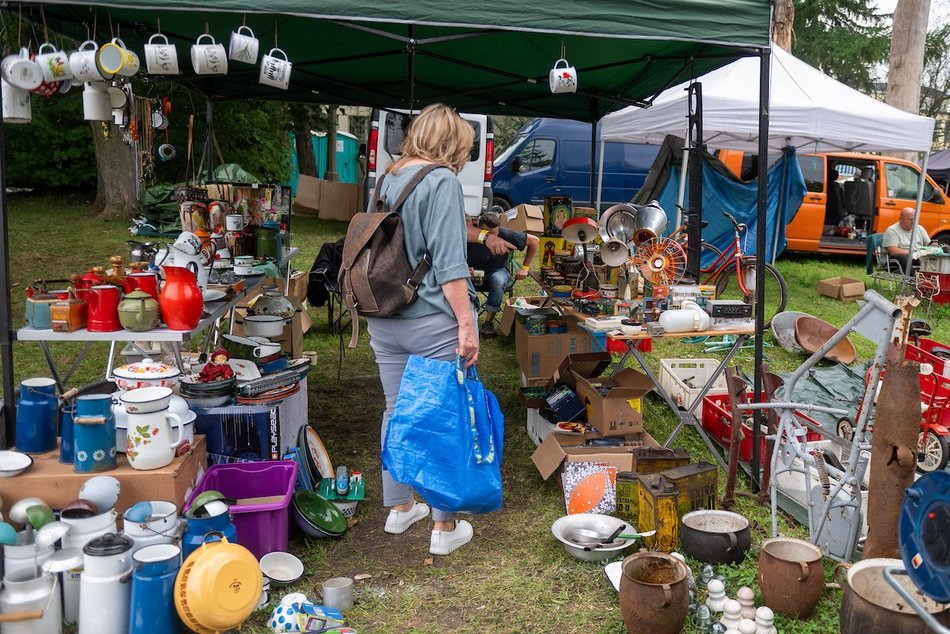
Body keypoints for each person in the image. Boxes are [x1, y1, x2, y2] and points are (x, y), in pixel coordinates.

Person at [365, 103, 493, 556]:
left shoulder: (388, 179)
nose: (464, 157)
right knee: (442, 417)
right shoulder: (441, 181)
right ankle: (444, 527)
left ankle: (400, 509)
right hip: (430, 319)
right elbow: (450, 265)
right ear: (451, 144)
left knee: (396, 411)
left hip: (384, 316)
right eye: (464, 148)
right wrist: (467, 325)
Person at [467, 210, 539, 335]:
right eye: (487, 234)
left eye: (494, 234)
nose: (492, 238)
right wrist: (465, 268)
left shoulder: (506, 234)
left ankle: (488, 322)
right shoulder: (470, 236)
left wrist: (524, 268)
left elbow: (534, 241)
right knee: (456, 279)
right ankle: (464, 321)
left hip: (497, 271)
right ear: (478, 228)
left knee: (498, 280)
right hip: (474, 275)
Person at [883, 206, 931, 273]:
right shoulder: (892, 230)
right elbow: (893, 251)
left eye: (915, 219)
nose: (913, 222)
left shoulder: (920, 228)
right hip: (899, 258)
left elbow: (929, 245)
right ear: (900, 219)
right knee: (906, 259)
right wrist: (914, 254)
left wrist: (933, 247)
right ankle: (911, 281)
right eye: (910, 219)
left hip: (919, 256)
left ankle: (933, 281)